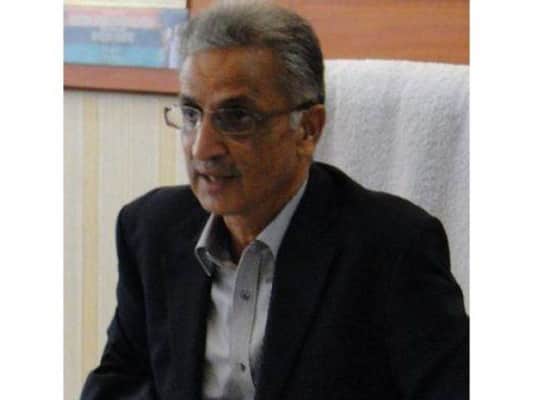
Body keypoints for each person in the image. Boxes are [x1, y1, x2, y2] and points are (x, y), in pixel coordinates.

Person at [81, 2, 468, 399]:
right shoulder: (150, 229)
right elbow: (119, 382)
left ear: (308, 130)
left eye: (236, 117)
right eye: (192, 114)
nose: (202, 147)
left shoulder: (393, 249)